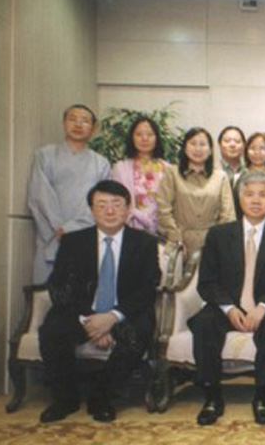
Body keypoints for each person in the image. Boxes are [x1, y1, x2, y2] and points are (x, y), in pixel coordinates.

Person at [39, 180, 160, 423]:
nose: (110, 211)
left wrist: (112, 317)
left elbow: (148, 288)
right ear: (92, 210)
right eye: (102, 205)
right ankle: (65, 398)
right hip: (82, 312)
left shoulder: (144, 243)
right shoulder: (73, 242)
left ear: (128, 209)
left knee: (140, 332)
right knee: (52, 330)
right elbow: (59, 286)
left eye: (117, 204)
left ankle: (103, 397)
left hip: (123, 314)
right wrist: (90, 320)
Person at [189, 171, 265, 426]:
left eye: (263, 195)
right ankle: (212, 397)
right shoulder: (218, 235)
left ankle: (262, 396)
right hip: (226, 307)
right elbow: (207, 282)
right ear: (240, 199)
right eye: (249, 194)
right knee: (204, 322)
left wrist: (263, 307)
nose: (256, 200)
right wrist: (228, 308)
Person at [27, 104, 110, 284]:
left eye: (85, 121)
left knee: (82, 296)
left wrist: (72, 228)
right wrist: (59, 228)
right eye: (73, 119)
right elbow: (39, 196)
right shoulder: (45, 155)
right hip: (50, 235)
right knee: (44, 296)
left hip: (86, 234)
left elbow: (102, 203)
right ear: (64, 123)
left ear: (93, 128)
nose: (78, 124)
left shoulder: (101, 163)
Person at [156, 127, 235, 256]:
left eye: (203, 144)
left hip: (212, 246)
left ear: (210, 150)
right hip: (178, 245)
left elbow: (228, 216)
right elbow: (163, 210)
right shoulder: (172, 173)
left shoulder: (221, 177)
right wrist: (176, 237)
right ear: (185, 148)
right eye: (193, 144)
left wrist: (215, 243)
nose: (198, 149)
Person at [111, 116, 168, 235]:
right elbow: (116, 201)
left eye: (150, 134)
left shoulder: (168, 169)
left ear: (157, 138)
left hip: (161, 231)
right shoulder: (120, 168)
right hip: (128, 229)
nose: (144, 138)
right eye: (139, 134)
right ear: (132, 138)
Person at [234, 132, 265, 219]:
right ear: (246, 152)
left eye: (262, 148)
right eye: (253, 148)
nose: (257, 152)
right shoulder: (236, 179)